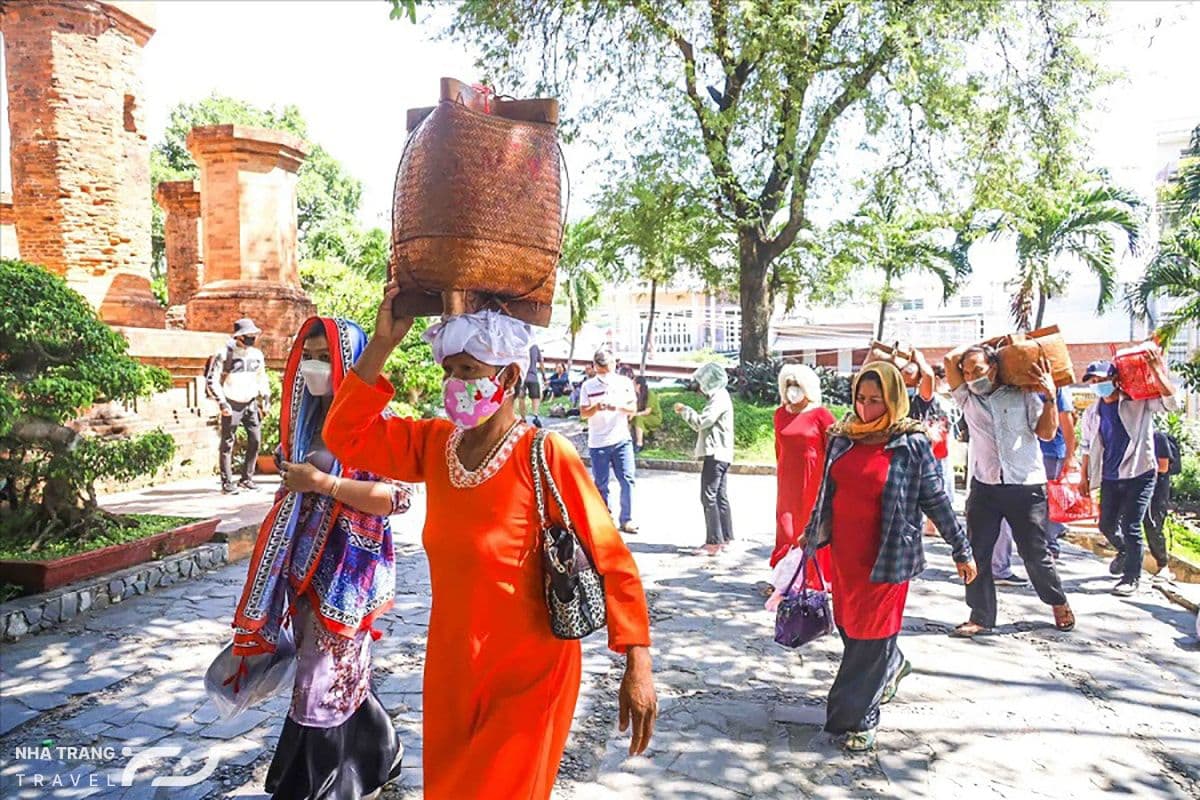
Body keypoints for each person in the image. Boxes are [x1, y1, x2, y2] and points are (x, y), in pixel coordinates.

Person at [323, 290, 657, 799]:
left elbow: (612, 559)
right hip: (453, 673)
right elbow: (345, 435)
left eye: (471, 369)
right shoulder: (435, 445)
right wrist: (383, 344)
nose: (457, 382)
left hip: (528, 676)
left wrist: (638, 662)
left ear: (509, 377)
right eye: (450, 369)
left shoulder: (546, 454)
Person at [230, 317, 411, 800]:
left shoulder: (377, 425)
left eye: (326, 356)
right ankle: (378, 752)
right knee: (339, 672)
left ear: (350, 360)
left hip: (351, 573)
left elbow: (397, 497)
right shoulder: (305, 422)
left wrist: (325, 485)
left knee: (320, 677)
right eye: (307, 354)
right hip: (303, 567)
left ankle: (323, 785)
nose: (314, 365)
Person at [798, 362, 977, 752]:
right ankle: (892, 664)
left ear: (894, 400)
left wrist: (961, 548)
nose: (865, 409)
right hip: (845, 556)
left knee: (870, 637)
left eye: (876, 401)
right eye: (860, 399)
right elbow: (826, 493)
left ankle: (859, 717)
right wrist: (812, 532)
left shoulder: (911, 444)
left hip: (889, 556)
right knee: (850, 627)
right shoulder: (842, 438)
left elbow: (937, 501)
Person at [944, 343, 1074, 637]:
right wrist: (994, 342)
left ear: (994, 368)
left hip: (1025, 485)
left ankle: (1057, 600)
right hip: (985, 485)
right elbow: (949, 358)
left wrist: (1050, 398)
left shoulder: (1024, 394)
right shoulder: (967, 398)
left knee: (1034, 553)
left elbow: (1046, 433)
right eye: (965, 372)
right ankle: (981, 615)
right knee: (977, 552)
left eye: (977, 370)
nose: (970, 376)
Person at [1079, 356, 1178, 595]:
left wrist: (1155, 369)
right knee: (1106, 525)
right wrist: (1084, 477)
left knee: (1132, 524)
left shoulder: (1137, 402)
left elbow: (1171, 402)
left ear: (1114, 379)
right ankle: (1125, 551)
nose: (1096, 383)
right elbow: (1086, 447)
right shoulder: (1092, 413)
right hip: (1111, 476)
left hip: (1140, 473)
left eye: (1100, 378)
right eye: (1092, 380)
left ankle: (1131, 577)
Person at [771, 364, 836, 582]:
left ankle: (813, 577)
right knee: (786, 528)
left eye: (797, 385)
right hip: (787, 480)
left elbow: (835, 449)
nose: (792, 390)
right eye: (788, 385)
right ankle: (786, 576)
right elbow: (778, 447)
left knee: (810, 528)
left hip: (814, 480)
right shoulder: (780, 414)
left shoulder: (821, 415)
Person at [673, 363, 735, 556]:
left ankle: (714, 542)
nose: (699, 388)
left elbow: (701, 422)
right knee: (719, 497)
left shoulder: (718, 399)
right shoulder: (721, 396)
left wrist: (685, 410)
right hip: (723, 453)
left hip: (715, 453)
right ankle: (726, 538)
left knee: (708, 496)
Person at [207, 318, 272, 494]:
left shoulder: (256, 355)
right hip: (231, 402)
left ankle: (247, 478)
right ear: (240, 336)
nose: (252, 338)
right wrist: (222, 403)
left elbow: (261, 378)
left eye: (254, 335)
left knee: (255, 440)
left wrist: (265, 399)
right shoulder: (224, 354)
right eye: (249, 335)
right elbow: (211, 380)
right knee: (227, 443)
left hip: (250, 402)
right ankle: (227, 482)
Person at [580, 349, 641, 534]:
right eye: (602, 368)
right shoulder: (588, 386)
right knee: (601, 484)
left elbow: (633, 409)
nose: (606, 371)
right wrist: (596, 407)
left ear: (614, 364)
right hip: (598, 441)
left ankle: (627, 518)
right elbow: (583, 413)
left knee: (628, 479)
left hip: (621, 439)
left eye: (608, 366)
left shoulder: (624, 382)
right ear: (595, 367)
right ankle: (605, 517)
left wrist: (618, 406)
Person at [1144, 429, 1178, 581]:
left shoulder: (1158, 437)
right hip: (1136, 485)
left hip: (1157, 488)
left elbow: (1163, 467)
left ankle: (1163, 565)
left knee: (1153, 524)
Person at [630, 375, 662, 452]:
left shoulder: (650, 394)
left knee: (638, 418)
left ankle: (639, 444)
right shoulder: (636, 394)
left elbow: (647, 411)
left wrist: (635, 414)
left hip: (654, 417)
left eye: (633, 383)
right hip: (642, 415)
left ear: (638, 385)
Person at [517, 340, 546, 422]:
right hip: (533, 377)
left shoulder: (520, 344)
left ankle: (523, 418)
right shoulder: (535, 346)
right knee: (535, 397)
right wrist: (544, 376)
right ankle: (535, 415)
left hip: (522, 376)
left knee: (521, 397)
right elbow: (541, 362)